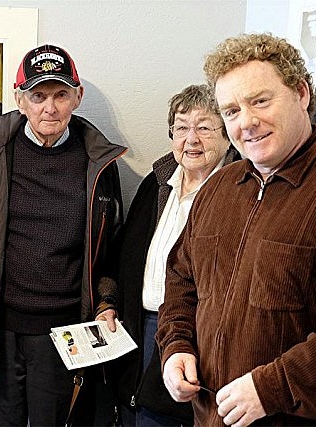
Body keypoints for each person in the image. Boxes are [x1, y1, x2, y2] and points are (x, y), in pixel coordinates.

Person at [156, 32, 316, 426]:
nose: (247, 122)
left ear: (302, 94)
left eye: (260, 101)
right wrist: (176, 347)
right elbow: (182, 281)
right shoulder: (218, 188)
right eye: (232, 111)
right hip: (209, 417)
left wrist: (272, 388)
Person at [0, 44, 126, 426]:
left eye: (60, 95)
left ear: (78, 96)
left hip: (65, 337)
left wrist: (107, 301)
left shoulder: (98, 163)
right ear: (19, 99)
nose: (50, 108)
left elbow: (109, 251)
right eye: (38, 96)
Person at [109, 84, 240, 427]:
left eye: (204, 127)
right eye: (181, 128)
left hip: (194, 338)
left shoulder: (238, 193)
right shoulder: (157, 183)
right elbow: (124, 256)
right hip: (138, 330)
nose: (191, 139)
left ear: (227, 134)